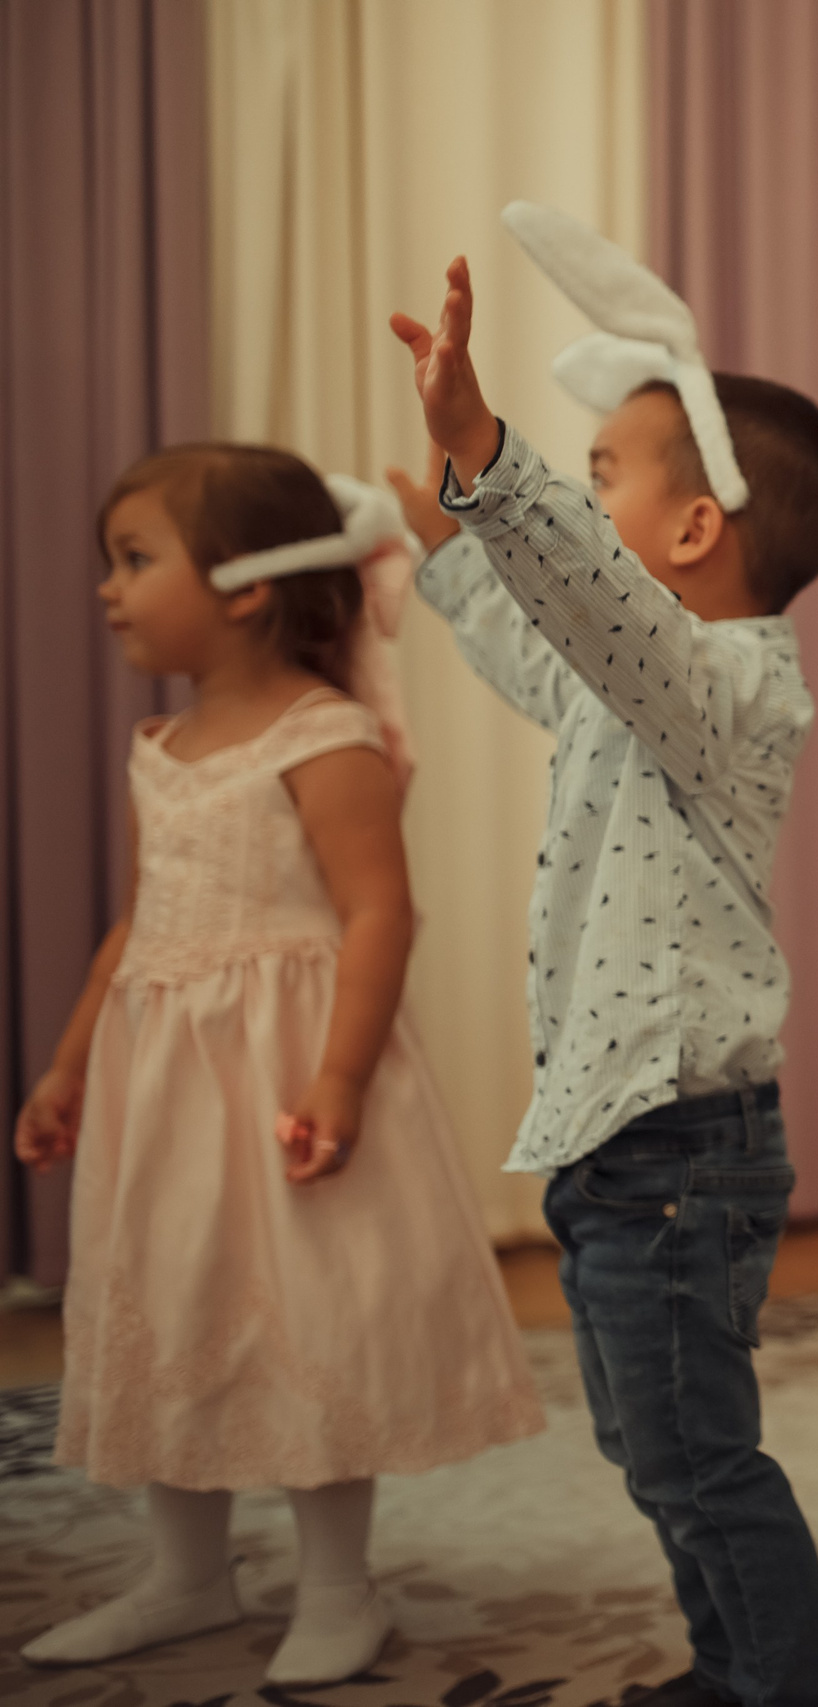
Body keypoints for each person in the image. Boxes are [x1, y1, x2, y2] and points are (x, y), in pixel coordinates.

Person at [387, 214, 818, 1707]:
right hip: (625, 1134)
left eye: (603, 480)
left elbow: (588, 603)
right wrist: (458, 550)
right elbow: (551, 643)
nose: (584, 510)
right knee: (652, 1442)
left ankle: (795, 1687)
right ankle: (734, 1666)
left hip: (678, 1140)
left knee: (698, 1452)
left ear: (695, 530)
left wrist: (488, 457)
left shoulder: (722, 681)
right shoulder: (634, 681)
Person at [15, 448, 542, 1687]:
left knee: (311, 1319)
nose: (107, 589)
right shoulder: (164, 745)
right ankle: (186, 1577)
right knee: (175, 1308)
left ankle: (338, 1592)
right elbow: (138, 923)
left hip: (284, 1083)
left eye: (135, 561)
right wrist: (71, 1062)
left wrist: (342, 1080)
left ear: (246, 588)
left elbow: (377, 915)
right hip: (166, 1092)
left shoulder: (327, 735)